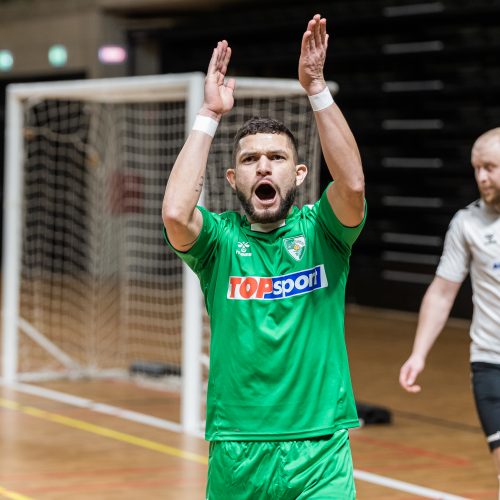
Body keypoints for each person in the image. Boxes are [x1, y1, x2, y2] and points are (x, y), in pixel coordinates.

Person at [163, 14, 366, 499]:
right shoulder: (218, 243)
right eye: (250, 160)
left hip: (319, 448)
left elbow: (354, 185)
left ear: (297, 174)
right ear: (233, 180)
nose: (263, 167)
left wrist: (315, 88)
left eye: (275, 158)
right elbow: (174, 212)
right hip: (237, 447)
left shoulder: (324, 232)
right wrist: (210, 116)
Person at [399, 128, 500, 495]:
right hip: (490, 364)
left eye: (490, 167)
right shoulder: (467, 223)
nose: (481, 177)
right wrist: (418, 353)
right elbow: (442, 293)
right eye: (477, 168)